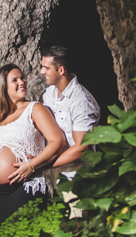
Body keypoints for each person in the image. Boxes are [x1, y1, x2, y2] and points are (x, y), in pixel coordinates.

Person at [0, 64, 65, 237]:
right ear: (2, 87)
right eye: (15, 80)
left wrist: (32, 165)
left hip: (25, 188)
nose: (22, 82)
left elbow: (57, 142)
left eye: (22, 78)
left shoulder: (34, 108)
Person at [39, 45, 100, 185]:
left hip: (77, 179)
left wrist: (43, 164)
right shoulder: (47, 95)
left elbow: (81, 148)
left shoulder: (81, 101)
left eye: (46, 68)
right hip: (53, 178)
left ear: (61, 70)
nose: (42, 72)